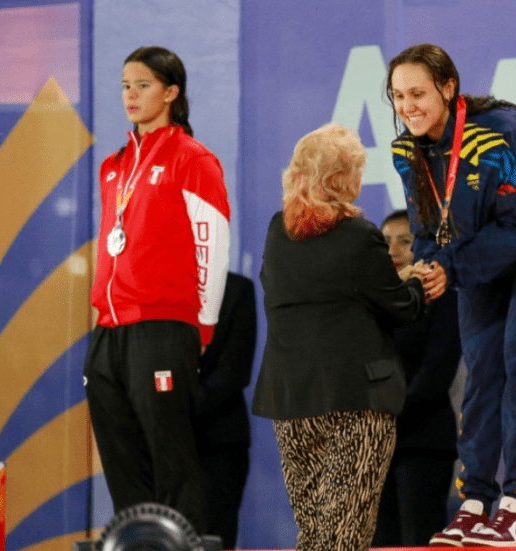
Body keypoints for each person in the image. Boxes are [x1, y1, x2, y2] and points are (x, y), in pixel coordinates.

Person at [386, 43, 516, 547]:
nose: (407, 106)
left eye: (417, 93)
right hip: (478, 255)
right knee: (481, 374)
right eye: (397, 96)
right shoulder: (406, 150)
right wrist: (430, 266)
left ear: (448, 88)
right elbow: (426, 231)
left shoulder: (501, 130)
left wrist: (448, 265)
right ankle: (475, 503)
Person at [251, 123, 432, 551]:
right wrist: (420, 282)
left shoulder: (279, 231)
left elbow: (324, 292)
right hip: (355, 401)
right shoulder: (358, 236)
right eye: (355, 170)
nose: (359, 180)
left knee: (314, 533)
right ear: (340, 178)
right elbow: (401, 306)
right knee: (345, 534)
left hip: (291, 401)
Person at [84, 45, 231, 536]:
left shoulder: (193, 158)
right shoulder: (113, 166)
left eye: (143, 85)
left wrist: (202, 326)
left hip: (164, 327)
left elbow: (212, 245)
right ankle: (139, 545)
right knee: (121, 458)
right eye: (125, 84)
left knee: (171, 458)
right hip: (109, 329)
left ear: (171, 92)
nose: (130, 94)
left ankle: (179, 546)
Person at [372, 210, 462, 547]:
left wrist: (388, 412)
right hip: (375, 444)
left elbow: (437, 370)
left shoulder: (441, 297)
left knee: (418, 539)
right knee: (379, 541)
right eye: (384, 242)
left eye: (404, 241)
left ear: (423, 247)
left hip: (422, 439)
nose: (392, 250)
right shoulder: (368, 300)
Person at [196, 271, 256, 550]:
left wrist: (179, 411)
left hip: (219, 440)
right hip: (168, 443)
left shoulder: (236, 289)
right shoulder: (162, 289)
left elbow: (235, 370)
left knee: (214, 537)